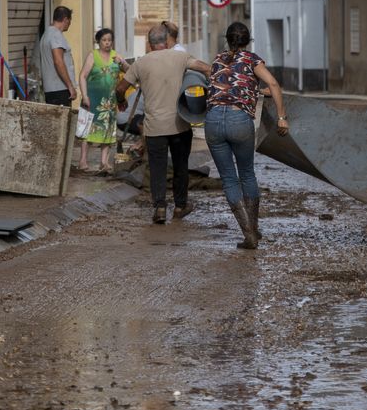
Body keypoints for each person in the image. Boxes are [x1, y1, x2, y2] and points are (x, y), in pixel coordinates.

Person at [206, 22, 289, 250]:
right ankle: (253, 229)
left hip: (212, 121)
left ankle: (248, 234)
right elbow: (273, 83)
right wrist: (281, 117)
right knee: (246, 174)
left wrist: (253, 90)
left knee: (229, 179)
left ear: (227, 39)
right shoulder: (252, 60)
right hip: (238, 120)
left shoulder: (217, 59)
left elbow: (226, 84)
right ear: (248, 40)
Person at [116, 25, 211, 225]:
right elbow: (206, 68)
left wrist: (121, 101)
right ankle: (180, 206)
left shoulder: (141, 63)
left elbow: (121, 87)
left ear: (149, 44)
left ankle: (160, 208)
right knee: (180, 166)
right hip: (180, 125)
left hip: (154, 128)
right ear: (167, 41)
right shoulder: (180, 57)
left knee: (157, 167)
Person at [78, 28, 125, 174]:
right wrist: (85, 96)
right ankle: (83, 161)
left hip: (109, 102)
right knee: (87, 130)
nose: (107, 43)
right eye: (104, 40)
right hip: (92, 99)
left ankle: (104, 162)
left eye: (109, 40)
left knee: (108, 130)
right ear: (98, 41)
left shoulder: (115, 56)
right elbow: (82, 76)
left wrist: (121, 63)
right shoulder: (93, 55)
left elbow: (130, 71)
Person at [39, 6, 79, 106]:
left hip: (50, 89)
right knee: (63, 120)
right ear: (65, 19)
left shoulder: (46, 34)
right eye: (70, 21)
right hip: (60, 89)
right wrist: (70, 86)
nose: (69, 24)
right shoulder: (56, 35)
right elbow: (58, 61)